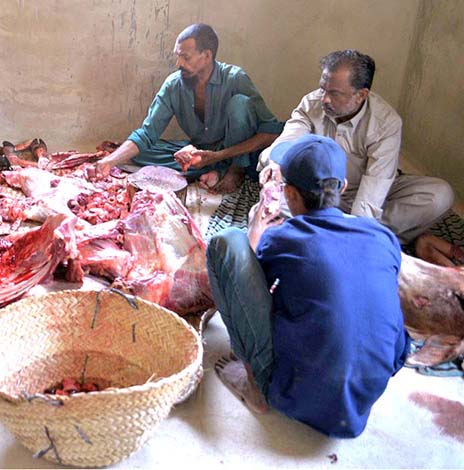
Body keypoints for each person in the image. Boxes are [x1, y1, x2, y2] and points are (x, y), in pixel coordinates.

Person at [207, 134, 408, 438]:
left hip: (296, 395)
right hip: (361, 402)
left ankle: (256, 388)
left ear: (288, 194)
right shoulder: (381, 235)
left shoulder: (284, 238)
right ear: (341, 187)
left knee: (227, 245)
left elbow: (245, 286)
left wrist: (255, 231)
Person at [258, 49, 455, 257]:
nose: (324, 99)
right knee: (272, 192)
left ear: (361, 95)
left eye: (334, 93)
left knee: (439, 195)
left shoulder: (386, 123)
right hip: (318, 193)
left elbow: (374, 188)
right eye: (322, 88)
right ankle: (365, 237)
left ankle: (329, 234)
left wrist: (357, 224)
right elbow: (288, 139)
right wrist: (277, 163)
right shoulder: (312, 103)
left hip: (366, 192)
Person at [94, 23, 283, 193]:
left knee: (239, 104)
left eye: (186, 58)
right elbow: (147, 133)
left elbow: (271, 132)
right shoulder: (174, 85)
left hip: (234, 153)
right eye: (178, 57)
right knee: (139, 152)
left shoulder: (235, 79)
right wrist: (110, 161)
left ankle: (235, 170)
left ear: (207, 56)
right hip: (199, 153)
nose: (179, 64)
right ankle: (213, 168)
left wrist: (218, 155)